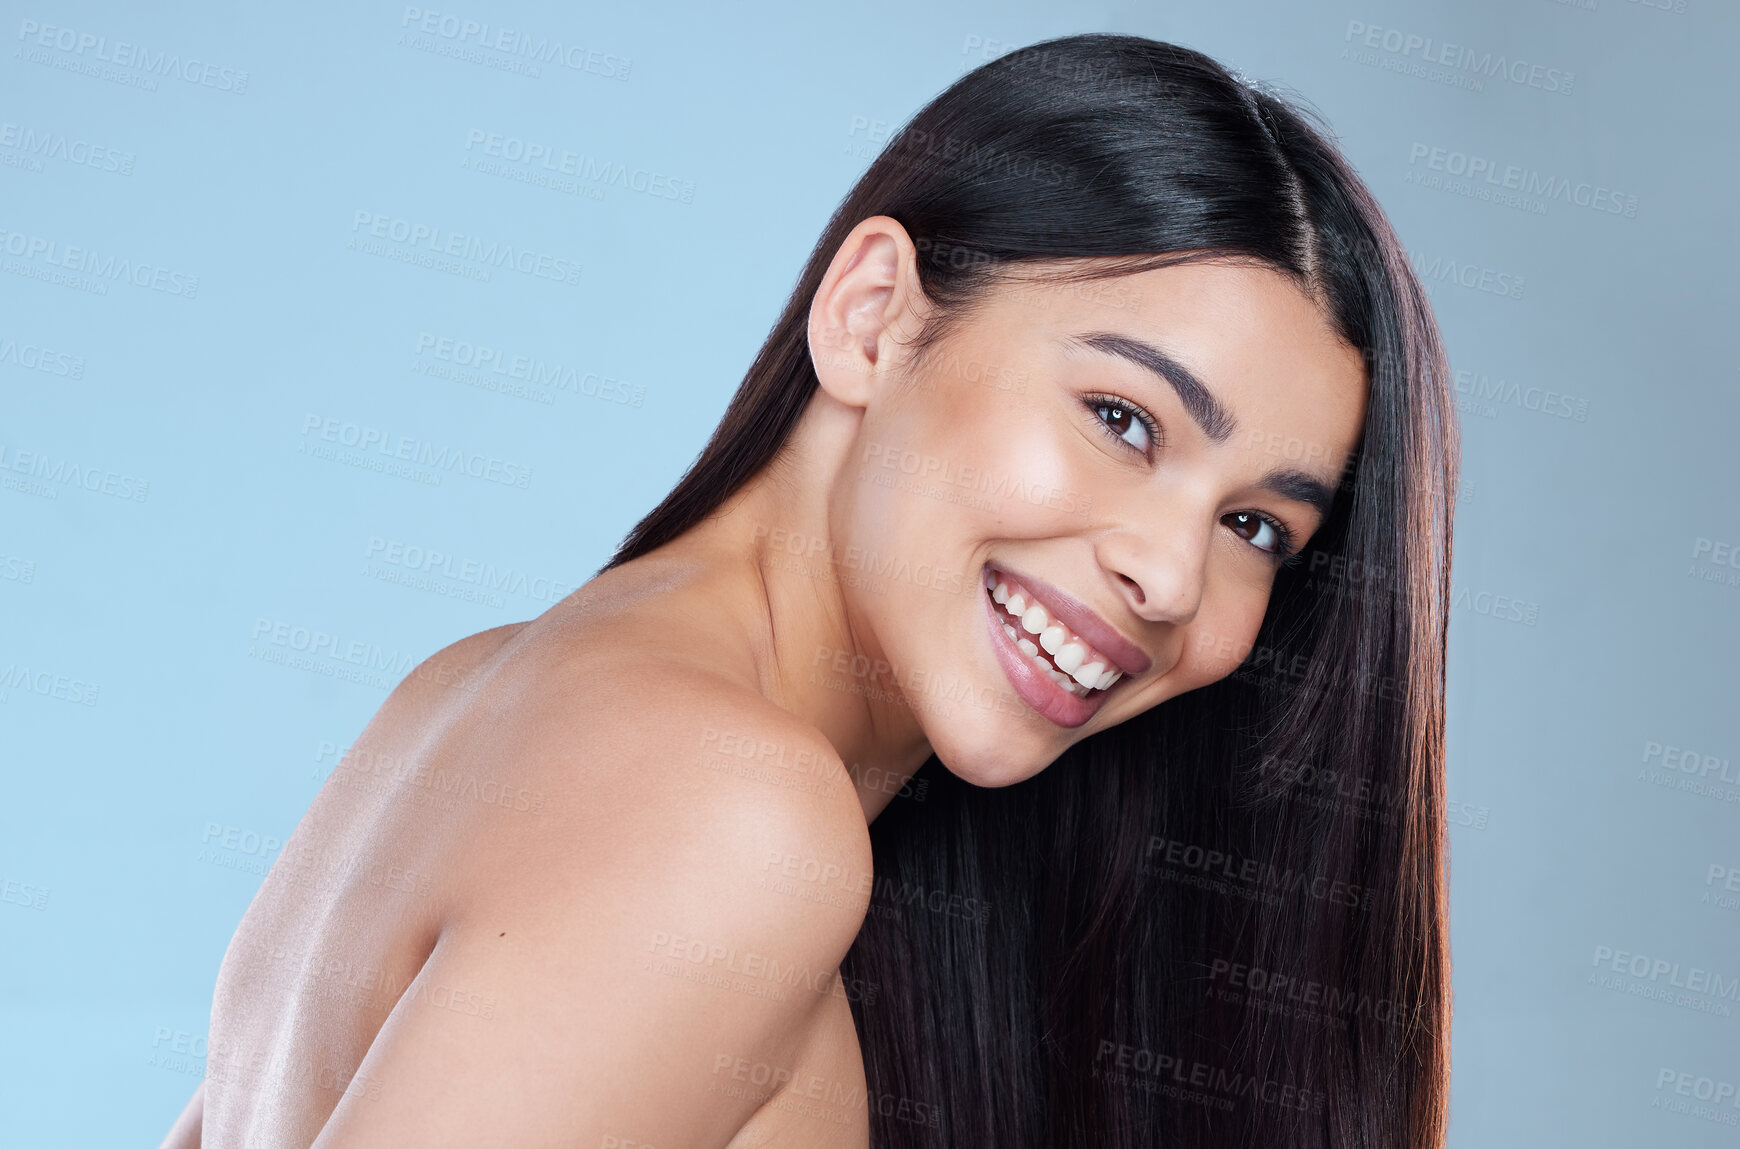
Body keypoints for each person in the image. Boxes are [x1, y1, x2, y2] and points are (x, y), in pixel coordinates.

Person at [159, 32, 1456, 1149]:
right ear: (874, 311)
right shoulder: (726, 809)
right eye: (1122, 417)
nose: (1171, 575)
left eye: (1255, 525)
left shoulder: (471, 695)